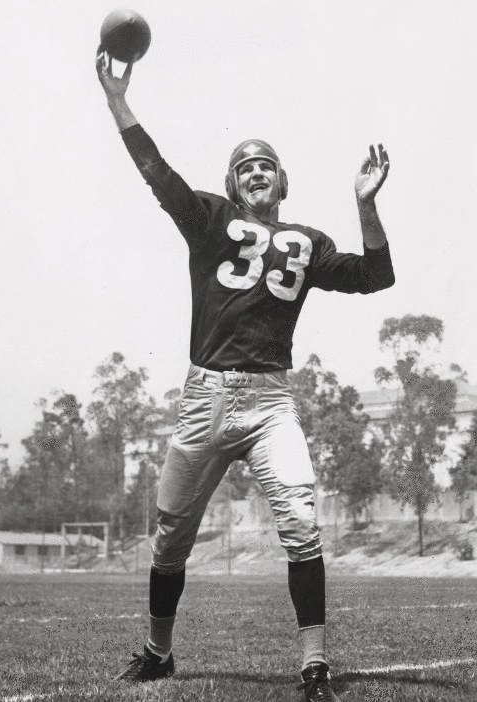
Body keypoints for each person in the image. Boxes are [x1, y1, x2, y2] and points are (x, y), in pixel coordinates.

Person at [96, 48, 394, 702]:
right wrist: (120, 103)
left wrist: (364, 206)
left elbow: (376, 277)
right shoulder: (208, 220)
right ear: (233, 187)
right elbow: (159, 174)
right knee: (171, 531)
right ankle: (159, 652)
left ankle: (314, 663)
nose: (256, 173)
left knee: (300, 520)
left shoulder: (307, 242)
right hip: (205, 397)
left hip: (269, 403)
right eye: (245, 168)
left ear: (281, 183)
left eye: (266, 167)